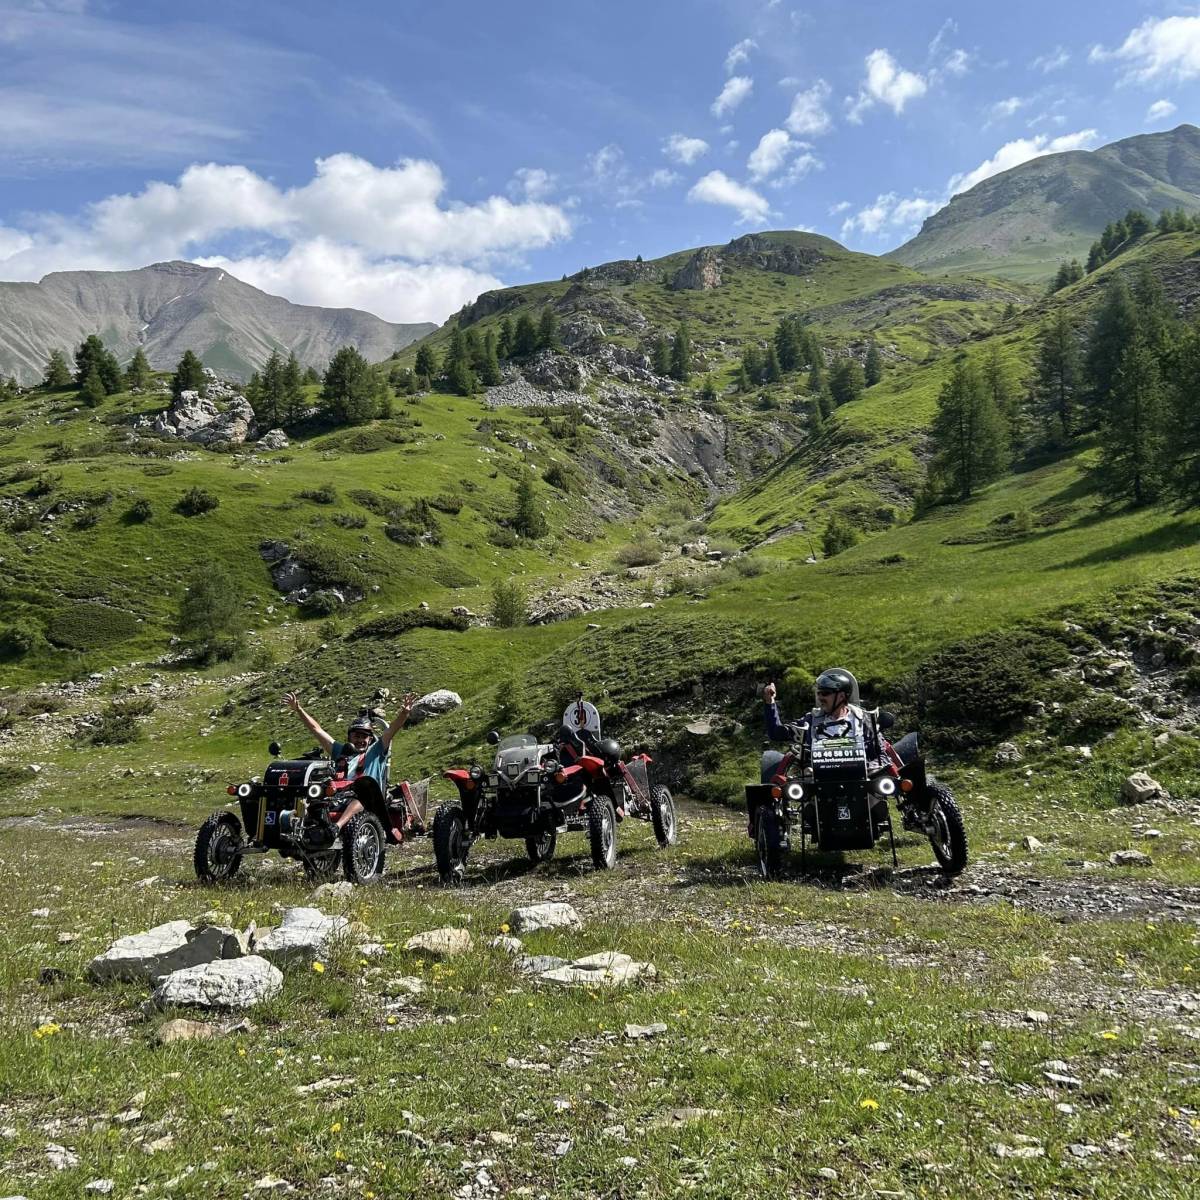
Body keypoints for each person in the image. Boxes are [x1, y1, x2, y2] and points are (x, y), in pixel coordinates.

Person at [283, 691, 418, 835]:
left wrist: (404, 713)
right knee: (311, 793)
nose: (360, 740)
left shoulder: (376, 751)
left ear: (370, 739)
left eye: (364, 736)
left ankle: (336, 827)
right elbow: (317, 730)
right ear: (349, 737)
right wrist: (299, 709)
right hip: (339, 796)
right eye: (356, 736)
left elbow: (392, 729)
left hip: (369, 799)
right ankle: (298, 830)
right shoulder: (341, 751)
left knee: (362, 793)